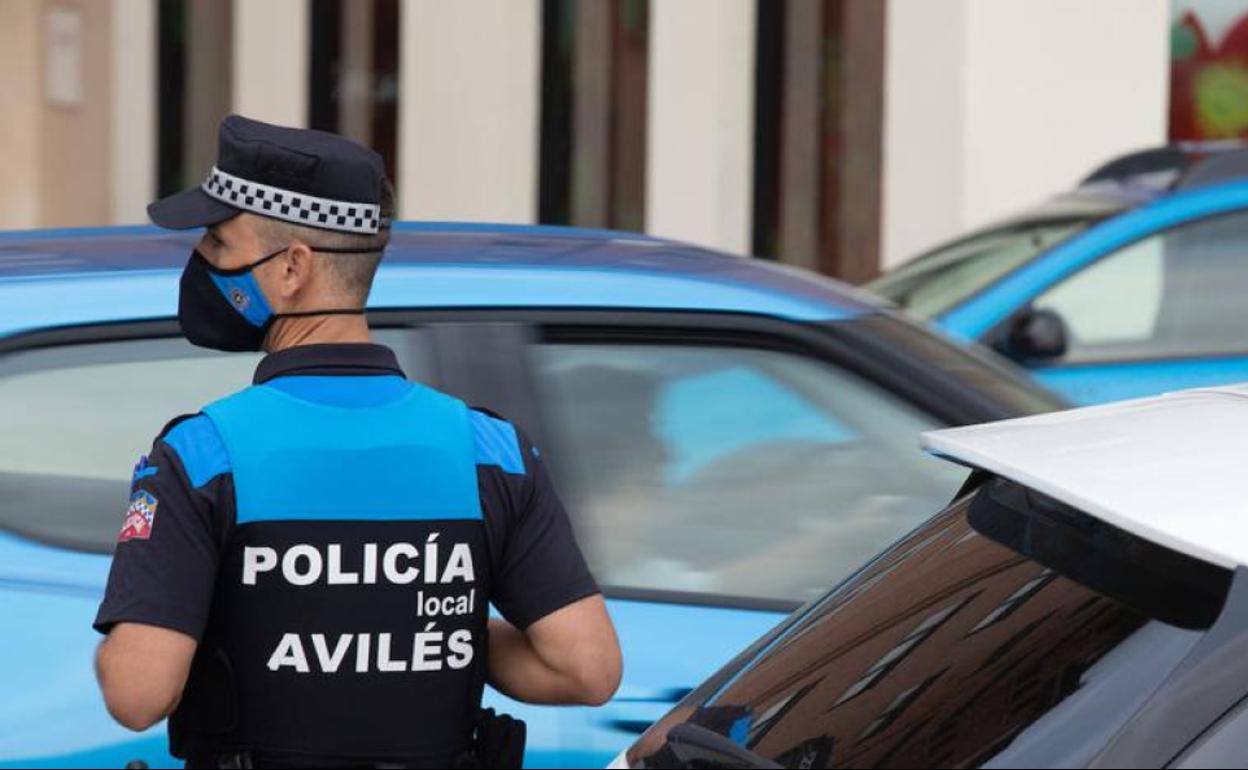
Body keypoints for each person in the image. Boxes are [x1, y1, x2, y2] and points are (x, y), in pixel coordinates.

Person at [92, 115, 622, 769]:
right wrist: (414, 629)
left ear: (291, 268)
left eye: (218, 241)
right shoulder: (490, 451)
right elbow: (586, 669)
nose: (202, 262)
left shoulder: (204, 456)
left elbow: (138, 693)